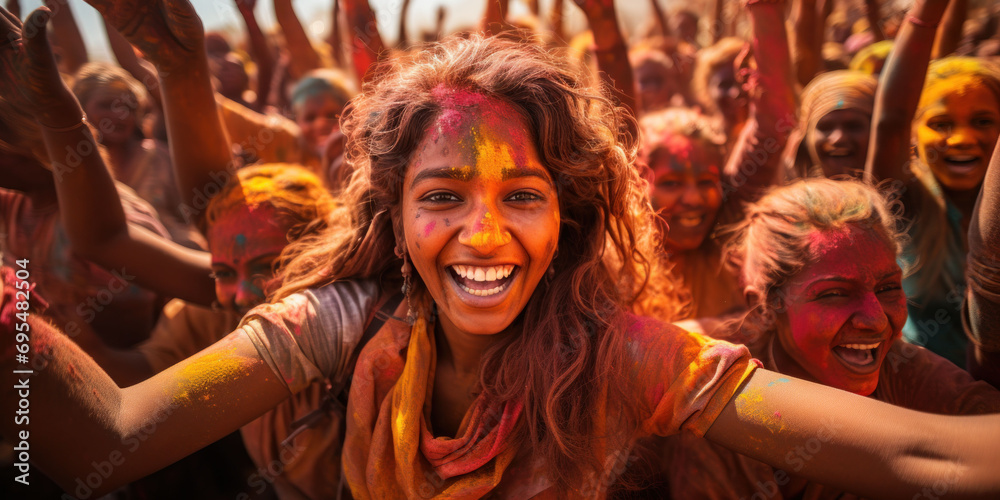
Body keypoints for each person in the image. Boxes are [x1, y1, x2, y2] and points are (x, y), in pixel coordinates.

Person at [3, 4, 1000, 499]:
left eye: (521, 194)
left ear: (568, 216)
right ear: (393, 218)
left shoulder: (626, 350)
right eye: (443, 195)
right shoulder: (334, 322)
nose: (483, 232)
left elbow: (917, 449)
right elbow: (107, 439)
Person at [664, 178, 1000, 499]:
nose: (876, 319)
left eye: (887, 288)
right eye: (836, 294)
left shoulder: (908, 375)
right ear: (764, 307)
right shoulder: (706, 387)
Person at [866, 0, 1000, 366]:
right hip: (924, 401)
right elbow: (890, 119)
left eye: (983, 122)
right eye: (941, 124)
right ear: (914, 134)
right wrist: (926, 15)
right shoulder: (905, 202)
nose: (962, 140)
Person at [784, 70, 877, 179]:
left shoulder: (898, 191)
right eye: (825, 127)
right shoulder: (791, 194)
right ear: (806, 136)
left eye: (853, 126)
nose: (838, 138)